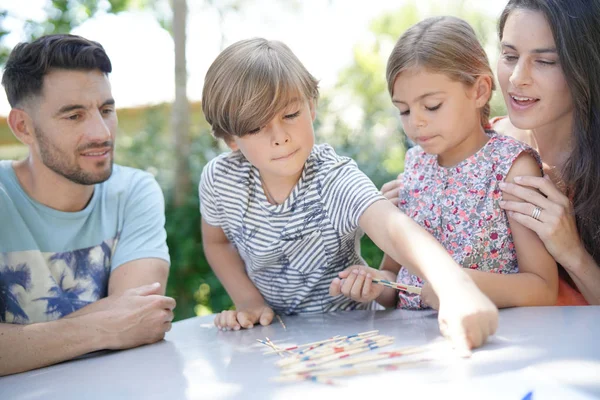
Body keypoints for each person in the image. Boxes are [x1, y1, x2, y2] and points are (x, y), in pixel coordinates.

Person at [199, 37, 498, 353]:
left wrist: (454, 285)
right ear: (232, 139)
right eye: (256, 128)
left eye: (289, 115)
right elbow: (217, 242)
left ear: (311, 106)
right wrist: (248, 300)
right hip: (274, 342)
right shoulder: (221, 181)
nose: (280, 138)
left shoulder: (333, 179)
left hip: (351, 338)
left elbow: (394, 229)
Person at [331, 16, 558, 311]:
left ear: (479, 90)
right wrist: (376, 284)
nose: (416, 122)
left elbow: (542, 289)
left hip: (491, 338)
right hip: (416, 342)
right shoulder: (415, 166)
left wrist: (456, 282)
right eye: (403, 110)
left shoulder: (511, 167)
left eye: (432, 106)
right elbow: (396, 278)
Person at [0, 34, 175, 376]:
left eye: (106, 110)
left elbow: (142, 322)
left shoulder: (134, 191)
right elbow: (121, 327)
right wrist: (103, 328)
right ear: (23, 127)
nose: (102, 132)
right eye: (74, 116)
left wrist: (20, 346)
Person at [492, 0, 600, 306]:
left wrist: (571, 253)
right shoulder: (477, 146)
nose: (516, 78)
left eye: (545, 62)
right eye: (510, 56)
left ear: (586, 66)